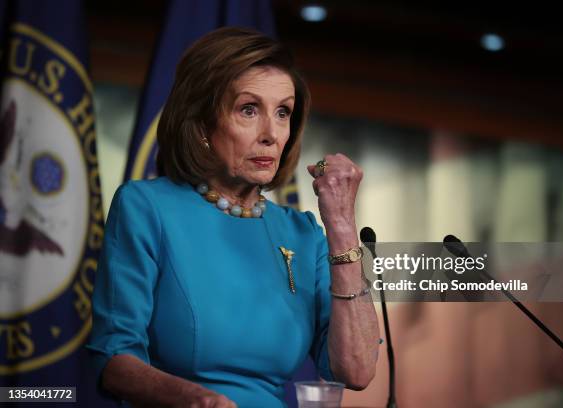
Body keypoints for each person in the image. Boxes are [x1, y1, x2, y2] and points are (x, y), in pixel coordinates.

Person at [88, 27, 380, 408]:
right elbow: (112, 358)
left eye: (283, 112)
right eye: (248, 109)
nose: (271, 134)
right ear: (203, 122)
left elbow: (356, 372)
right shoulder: (147, 207)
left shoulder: (303, 233)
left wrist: (341, 227)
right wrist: (195, 399)